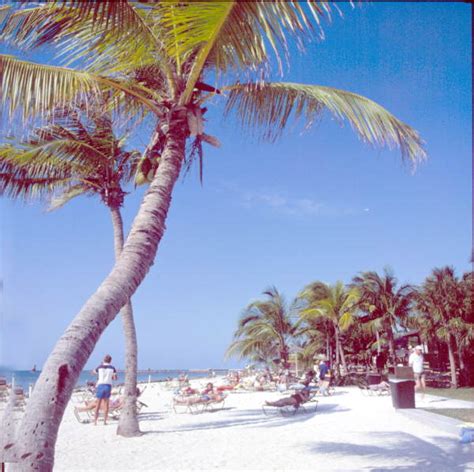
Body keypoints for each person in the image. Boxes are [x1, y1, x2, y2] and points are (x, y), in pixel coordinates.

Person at [92, 354, 117, 425]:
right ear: (110, 360)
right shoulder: (112, 368)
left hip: (100, 385)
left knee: (98, 404)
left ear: (104, 360)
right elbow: (115, 378)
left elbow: (93, 372)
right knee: (106, 404)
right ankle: (105, 421)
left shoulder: (99, 367)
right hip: (108, 386)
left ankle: (95, 422)